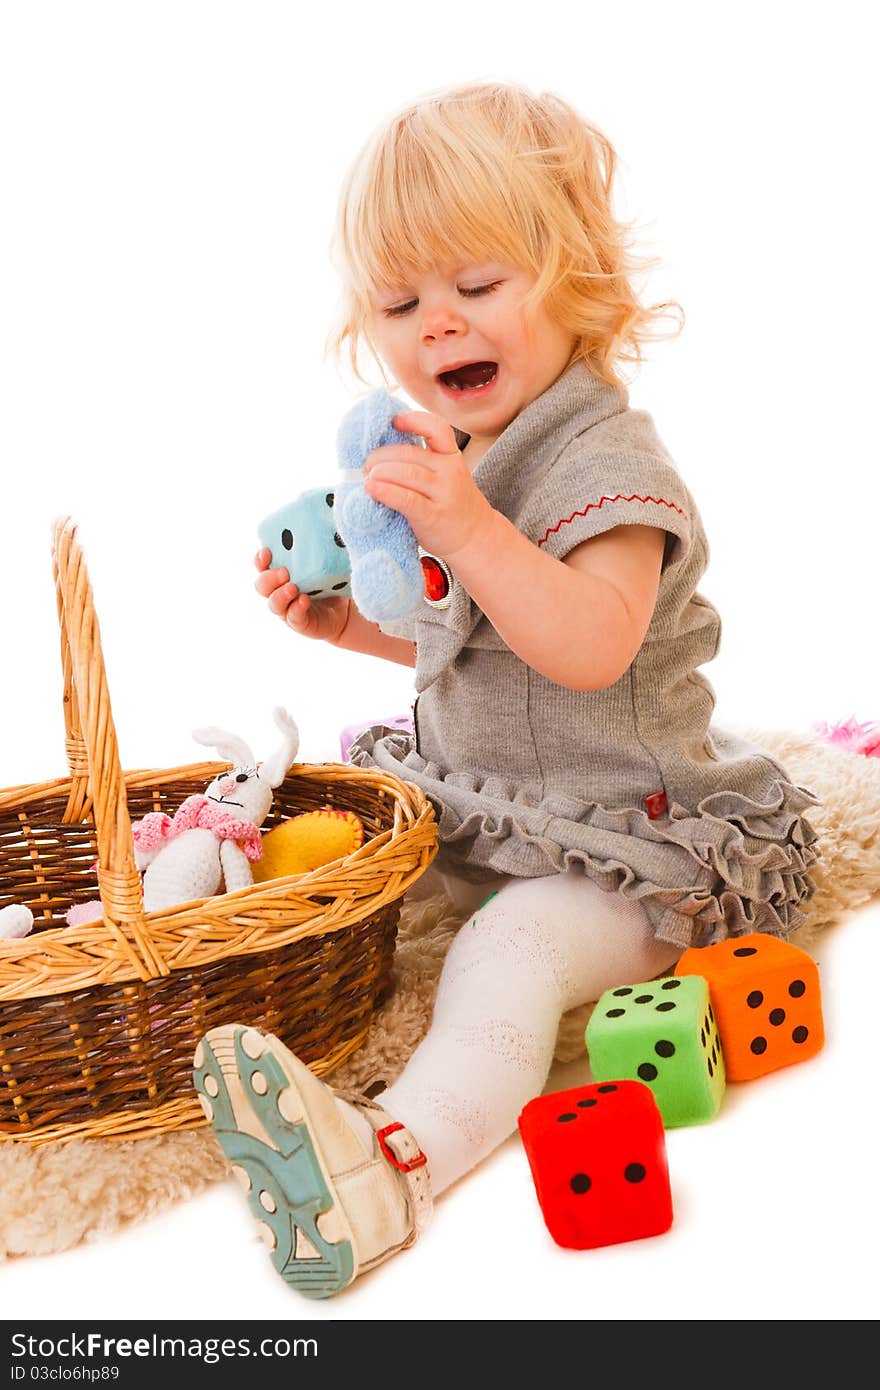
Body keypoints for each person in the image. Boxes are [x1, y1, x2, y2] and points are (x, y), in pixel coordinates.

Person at [192, 80, 819, 1298]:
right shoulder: (457, 460)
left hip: (629, 841)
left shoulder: (605, 460)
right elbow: (478, 647)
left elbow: (584, 645)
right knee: (334, 852)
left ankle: (389, 1166)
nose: (439, 326)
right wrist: (346, 630)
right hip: (495, 801)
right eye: (401, 302)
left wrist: (471, 527)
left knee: (506, 954)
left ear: (576, 283)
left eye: (477, 287)